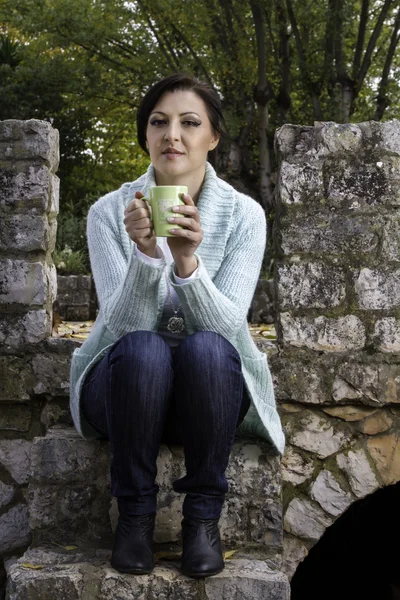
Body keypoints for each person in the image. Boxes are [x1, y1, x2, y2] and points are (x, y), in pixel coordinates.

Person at [69, 73, 285, 579]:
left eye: (190, 123)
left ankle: (203, 520)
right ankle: (135, 519)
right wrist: (146, 259)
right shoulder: (108, 213)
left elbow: (231, 330)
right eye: (159, 122)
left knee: (208, 349)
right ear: (144, 136)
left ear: (212, 138)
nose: (173, 135)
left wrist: (187, 264)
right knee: (143, 348)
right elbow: (118, 331)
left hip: (206, 397)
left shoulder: (244, 216)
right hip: (123, 391)